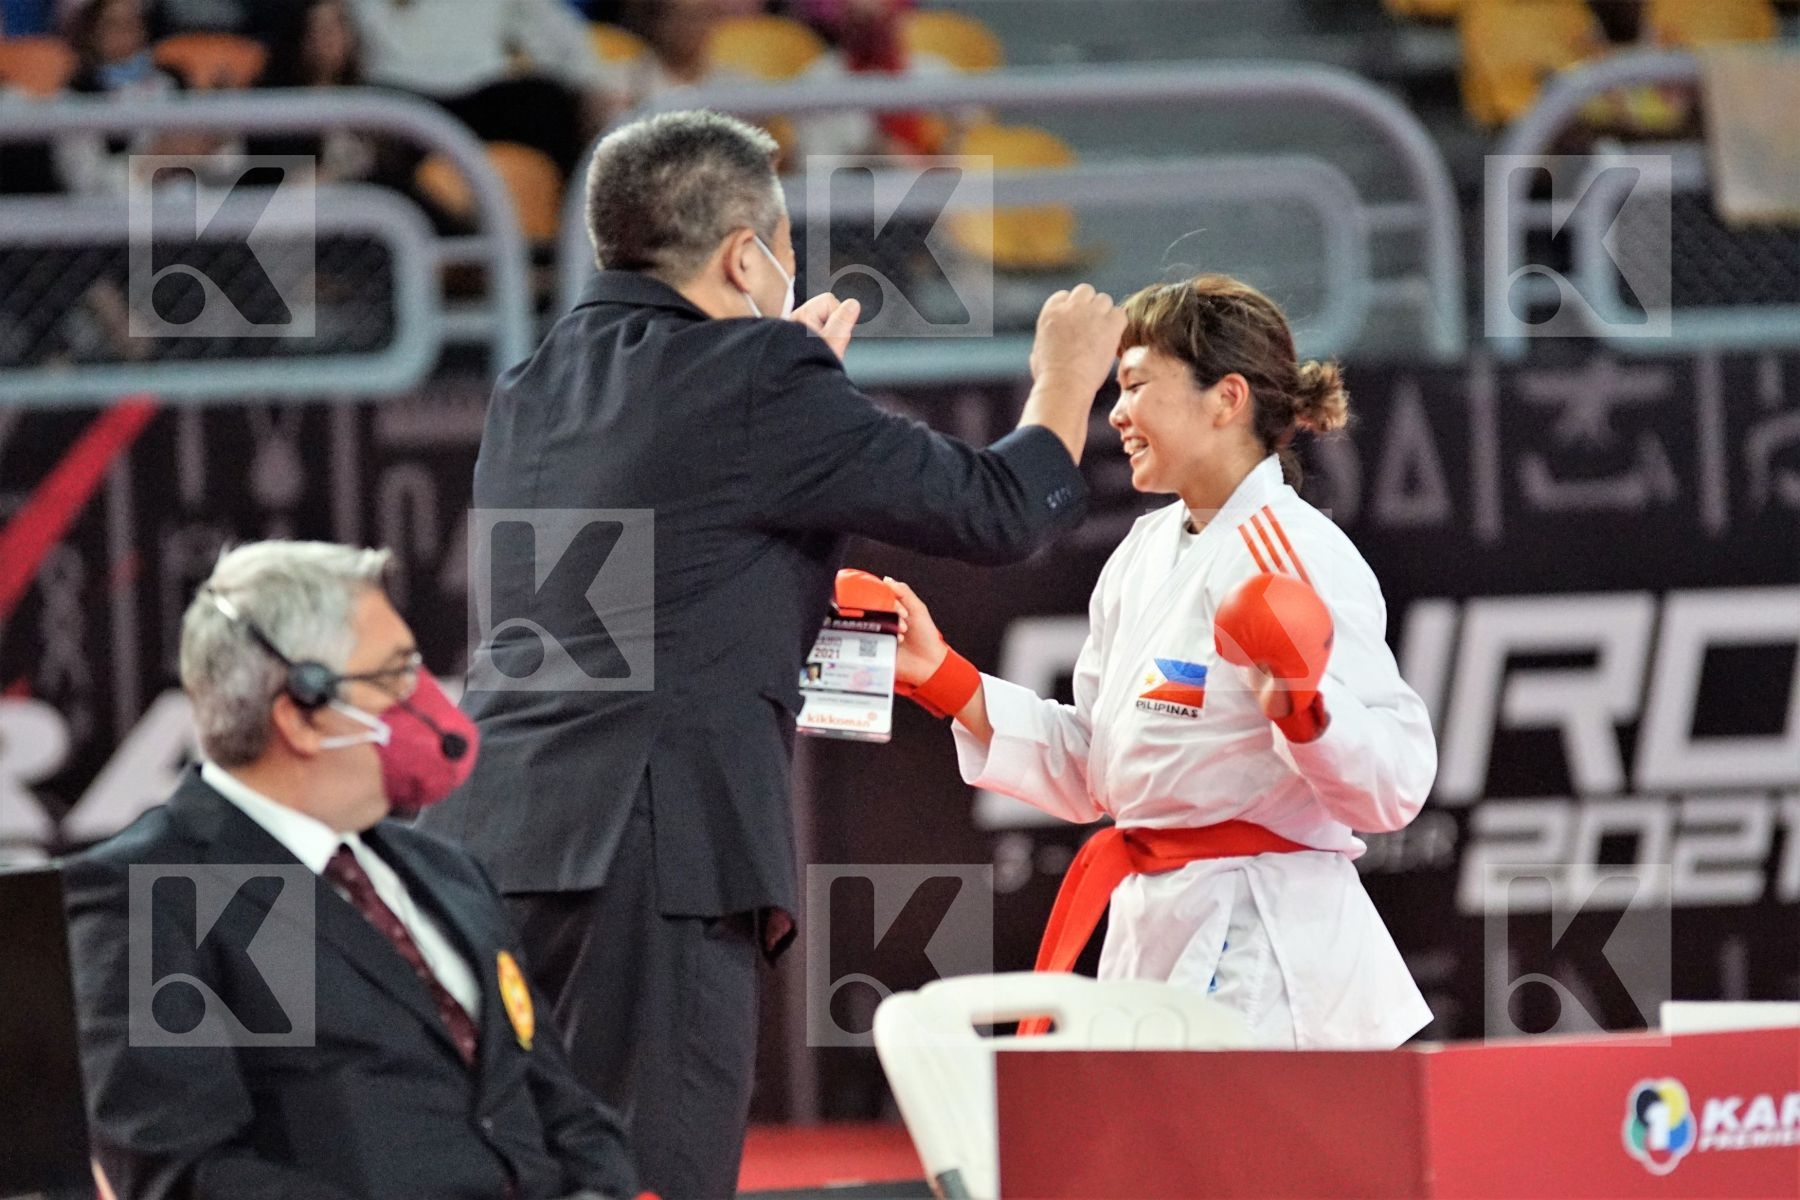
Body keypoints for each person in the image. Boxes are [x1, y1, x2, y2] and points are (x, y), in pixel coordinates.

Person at [418, 109, 1122, 1198]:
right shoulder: (756, 378)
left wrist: (792, 390)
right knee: (659, 1178)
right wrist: (1066, 379)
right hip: (652, 859)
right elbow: (996, 512)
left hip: (499, 845)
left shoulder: (536, 383)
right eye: (785, 246)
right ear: (746, 255)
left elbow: (676, 541)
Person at [885, 273, 1436, 1050]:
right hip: (1153, 935)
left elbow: (1397, 786)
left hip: (1271, 956)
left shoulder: (1297, 555)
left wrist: (1307, 711)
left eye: (1138, 383)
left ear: (1226, 397)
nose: (1117, 412)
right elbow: (1096, 769)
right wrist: (945, 678)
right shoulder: (1144, 552)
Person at [61, 541, 636, 1200]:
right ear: (302, 712)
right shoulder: (160, 890)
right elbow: (188, 1175)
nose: (426, 700)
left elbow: (567, 1110)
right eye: (394, 676)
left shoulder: (449, 876)